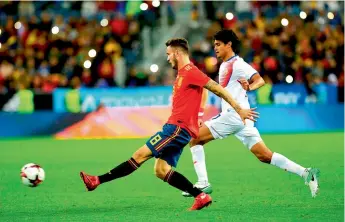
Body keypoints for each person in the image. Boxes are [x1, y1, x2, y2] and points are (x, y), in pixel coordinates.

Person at [80, 38, 259, 211]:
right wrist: (199, 113)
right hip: (180, 128)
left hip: (177, 128)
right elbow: (203, 90)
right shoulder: (184, 73)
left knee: (139, 155)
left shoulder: (190, 71)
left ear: (177, 54)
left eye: (168, 54)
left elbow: (216, 88)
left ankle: (97, 180)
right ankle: (200, 196)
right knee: (161, 169)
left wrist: (238, 109)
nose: (167, 58)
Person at [181, 29, 320, 198]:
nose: (215, 48)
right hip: (242, 118)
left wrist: (250, 87)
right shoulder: (225, 64)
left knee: (195, 138)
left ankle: (203, 182)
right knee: (264, 155)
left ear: (229, 44)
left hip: (234, 115)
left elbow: (260, 80)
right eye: (214, 45)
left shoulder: (237, 64)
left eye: (218, 45)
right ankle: (306, 173)